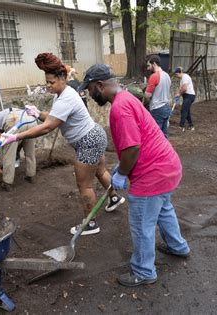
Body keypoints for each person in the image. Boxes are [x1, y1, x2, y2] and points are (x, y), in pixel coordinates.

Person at [79, 64, 190, 287]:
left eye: (90, 89)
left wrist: (121, 173)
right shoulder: (127, 98)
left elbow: (132, 148)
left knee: (141, 224)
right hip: (168, 166)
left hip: (153, 174)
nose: (90, 94)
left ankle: (143, 271)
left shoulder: (120, 109)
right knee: (164, 209)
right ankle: (178, 247)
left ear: (100, 85)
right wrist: (123, 166)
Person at [2, 53, 125, 235]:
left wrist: (17, 137)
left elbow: (47, 127)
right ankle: (114, 198)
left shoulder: (67, 96)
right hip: (95, 135)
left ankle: (90, 224)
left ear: (63, 78)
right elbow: (53, 117)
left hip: (88, 141)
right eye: (47, 82)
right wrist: (37, 113)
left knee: (84, 185)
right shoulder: (61, 95)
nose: (48, 86)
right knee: (100, 171)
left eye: (51, 82)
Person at [0, 108, 37, 192]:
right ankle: (31, 175)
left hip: (14, 121)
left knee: (9, 154)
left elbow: (0, 143)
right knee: (30, 151)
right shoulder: (3, 114)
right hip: (30, 119)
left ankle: (7, 182)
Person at [144, 55, 172, 138]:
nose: (148, 69)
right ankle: (165, 150)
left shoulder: (154, 77)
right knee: (164, 135)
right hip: (166, 107)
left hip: (157, 109)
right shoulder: (167, 76)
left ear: (154, 64)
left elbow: (147, 95)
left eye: (149, 65)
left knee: (156, 135)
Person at [174, 67, 196, 132]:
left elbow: (184, 89)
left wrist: (179, 94)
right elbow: (181, 88)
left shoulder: (185, 77)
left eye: (177, 74)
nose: (176, 76)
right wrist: (177, 94)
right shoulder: (181, 79)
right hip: (186, 96)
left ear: (180, 73)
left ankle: (181, 126)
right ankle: (191, 126)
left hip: (190, 96)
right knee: (187, 111)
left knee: (183, 110)